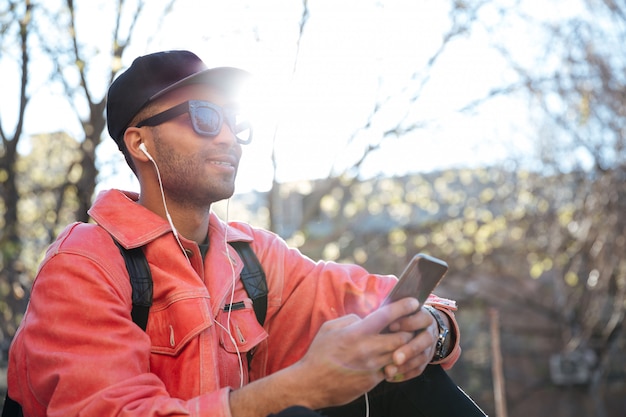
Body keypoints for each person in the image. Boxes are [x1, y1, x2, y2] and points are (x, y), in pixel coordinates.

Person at [5, 50, 483, 417]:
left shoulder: (251, 257)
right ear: (140, 143)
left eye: (235, 122)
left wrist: (433, 333)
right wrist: (295, 387)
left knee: (398, 375)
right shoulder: (83, 265)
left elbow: (367, 298)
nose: (228, 137)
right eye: (204, 118)